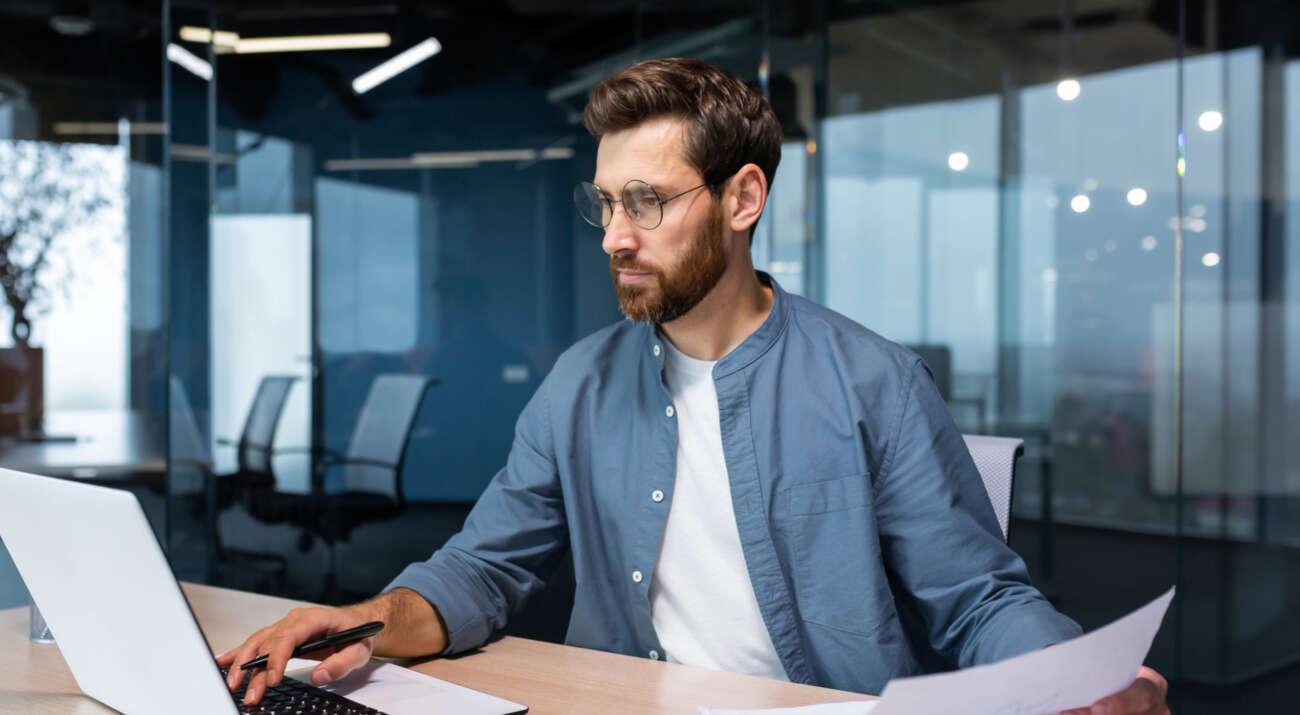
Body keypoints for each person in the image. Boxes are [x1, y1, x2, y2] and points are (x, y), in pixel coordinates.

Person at [220, 57, 1169, 715]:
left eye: (648, 203)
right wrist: (367, 622)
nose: (614, 237)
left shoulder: (872, 381)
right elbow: (483, 569)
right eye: (605, 203)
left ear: (743, 200)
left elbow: (975, 600)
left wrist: (1078, 676)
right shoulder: (578, 386)